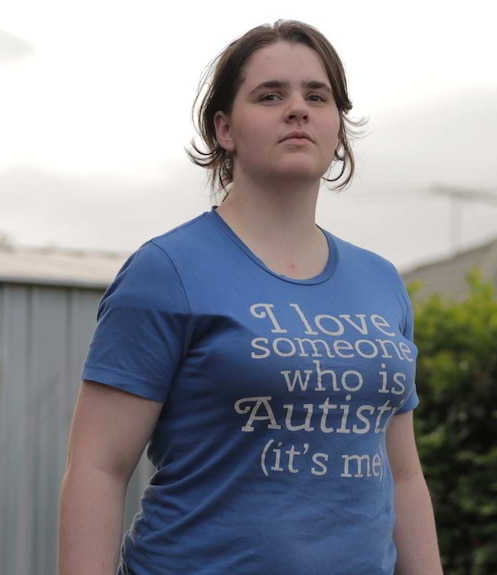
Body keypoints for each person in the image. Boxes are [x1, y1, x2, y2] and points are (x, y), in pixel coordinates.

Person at [58, 19, 444, 575]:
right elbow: (98, 466)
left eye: (317, 95)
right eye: (270, 95)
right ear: (225, 129)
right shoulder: (167, 271)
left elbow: (402, 472)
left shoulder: (381, 282)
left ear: (338, 126)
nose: (298, 109)